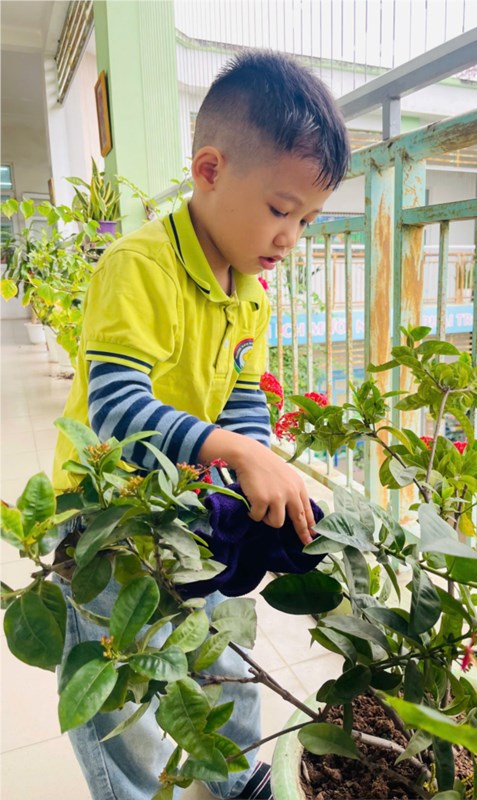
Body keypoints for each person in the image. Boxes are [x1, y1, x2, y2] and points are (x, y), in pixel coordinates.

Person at [52, 50, 350, 800]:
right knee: (119, 677)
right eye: (281, 210)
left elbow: (243, 395)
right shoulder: (138, 267)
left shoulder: (251, 290)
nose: (291, 237)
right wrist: (235, 452)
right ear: (210, 170)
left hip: (186, 505)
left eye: (307, 220)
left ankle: (235, 774)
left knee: (221, 644)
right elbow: (117, 407)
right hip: (109, 517)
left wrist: (259, 462)